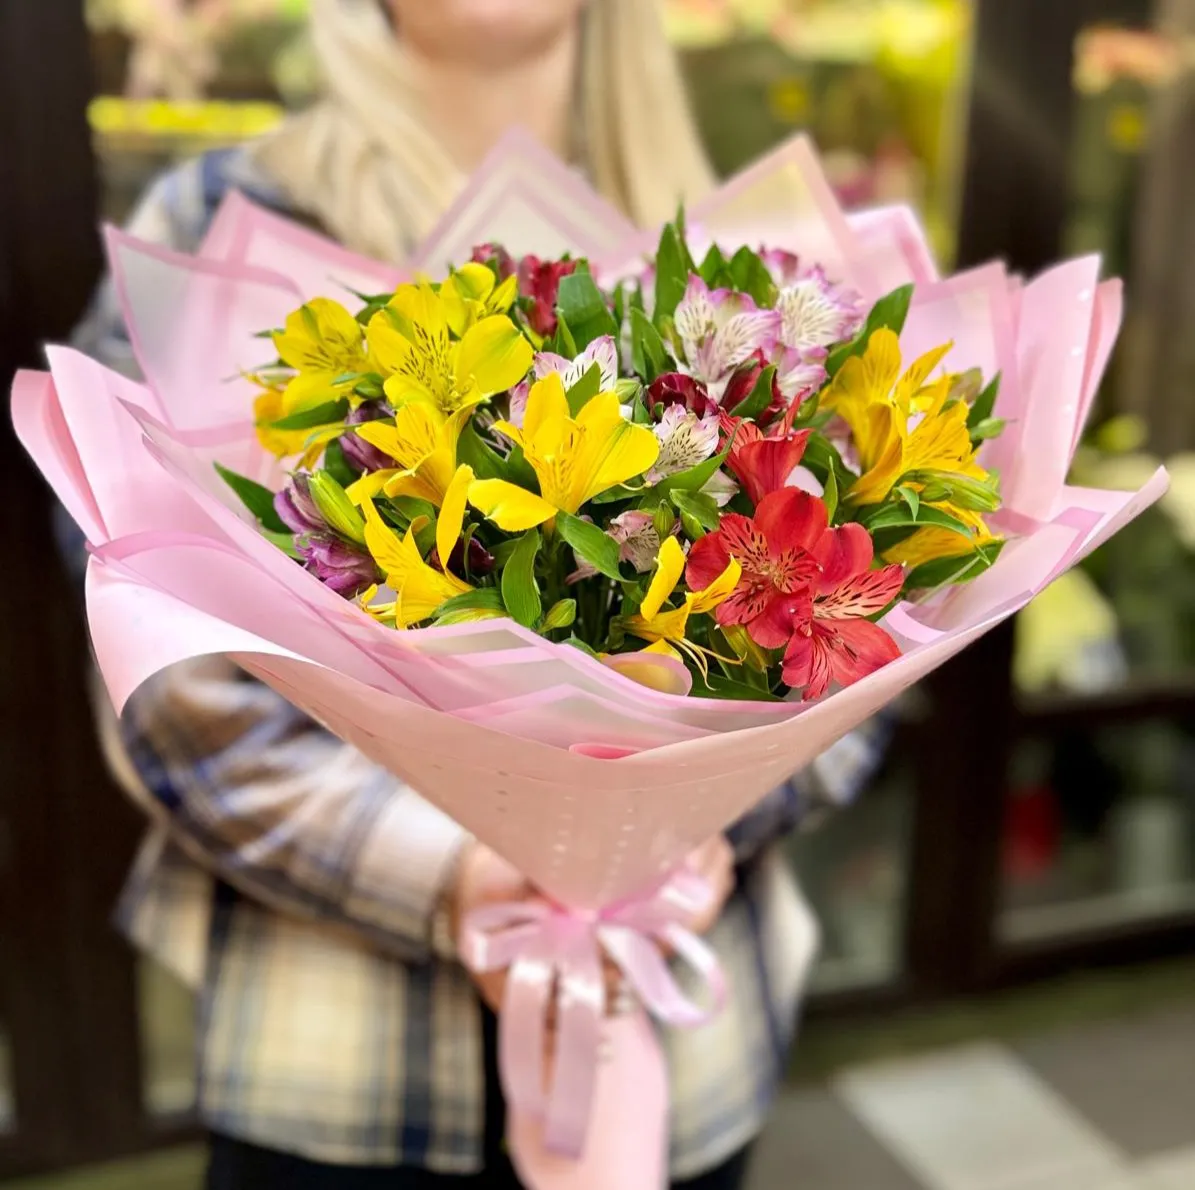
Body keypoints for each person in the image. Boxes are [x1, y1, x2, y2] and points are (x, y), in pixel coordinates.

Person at [67, 1, 889, 1186]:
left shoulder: (747, 245)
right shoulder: (216, 225)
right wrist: (461, 874)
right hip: (337, 1061)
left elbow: (875, 614)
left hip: (677, 1024)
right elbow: (165, 663)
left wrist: (688, 829)